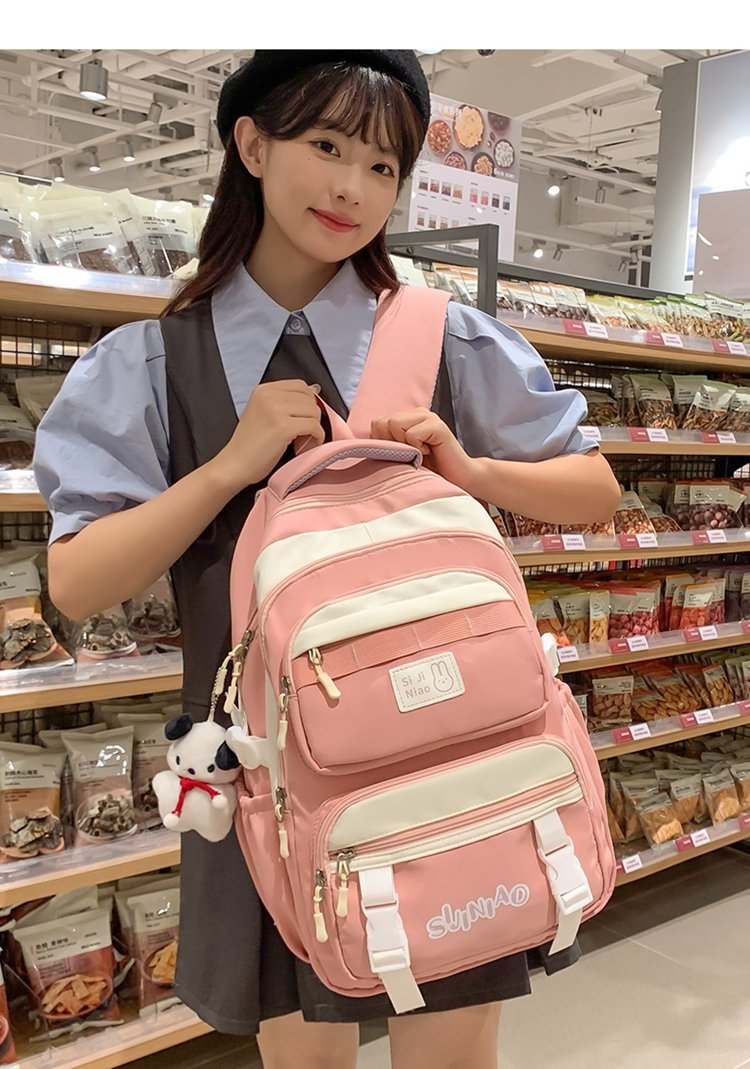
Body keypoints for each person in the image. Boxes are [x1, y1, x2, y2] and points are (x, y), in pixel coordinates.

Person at [34, 50, 620, 1069]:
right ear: (251, 145)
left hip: (450, 755)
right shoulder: (153, 361)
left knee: (450, 1055)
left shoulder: (445, 338)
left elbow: (597, 490)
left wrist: (472, 468)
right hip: (265, 776)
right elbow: (79, 582)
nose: (354, 186)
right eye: (327, 145)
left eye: (384, 166)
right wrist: (228, 468)